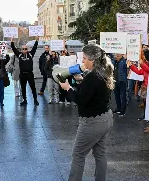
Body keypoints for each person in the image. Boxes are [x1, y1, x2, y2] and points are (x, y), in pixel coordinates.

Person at [59, 44, 114, 181]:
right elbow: (94, 92)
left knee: (78, 155)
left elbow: (81, 100)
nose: (82, 61)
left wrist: (67, 88)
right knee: (100, 154)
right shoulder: (102, 72)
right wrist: (82, 81)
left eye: (84, 58)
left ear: (93, 60)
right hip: (106, 118)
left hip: (92, 122)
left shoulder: (92, 77)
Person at [10, 36, 39, 106]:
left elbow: (35, 47)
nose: (24, 50)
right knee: (23, 88)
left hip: (30, 74)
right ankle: (24, 100)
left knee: (33, 87)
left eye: (26, 49)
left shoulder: (30, 54)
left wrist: (37, 41)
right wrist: (12, 42)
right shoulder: (19, 55)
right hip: (22, 74)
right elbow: (13, 49)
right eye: (23, 49)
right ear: (21, 50)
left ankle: (35, 100)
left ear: (27, 49)